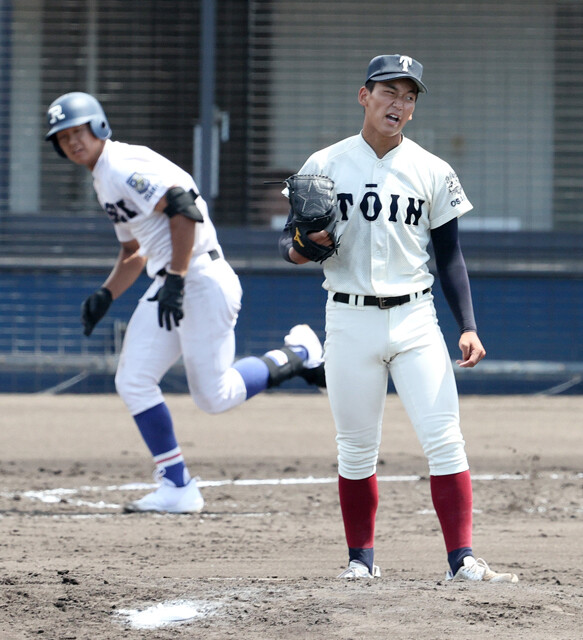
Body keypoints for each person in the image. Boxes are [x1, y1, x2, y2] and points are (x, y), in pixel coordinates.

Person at [279, 55, 519, 583]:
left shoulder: (432, 169)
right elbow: (290, 246)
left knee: (444, 438)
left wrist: (469, 324)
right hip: (348, 319)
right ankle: (360, 561)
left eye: (409, 96)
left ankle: (463, 561)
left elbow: (450, 255)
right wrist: (305, 243)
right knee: (356, 447)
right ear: (364, 96)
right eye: (390, 91)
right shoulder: (324, 164)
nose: (399, 103)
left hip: (415, 318)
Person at [45, 91, 326, 515]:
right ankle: (176, 485)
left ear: (98, 126)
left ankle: (299, 352)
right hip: (173, 281)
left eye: (77, 131)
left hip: (200, 278)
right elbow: (133, 252)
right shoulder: (103, 177)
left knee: (214, 397)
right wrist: (106, 294)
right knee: (133, 380)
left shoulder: (119, 164)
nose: (72, 142)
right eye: (63, 138)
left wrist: (175, 277)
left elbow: (182, 208)